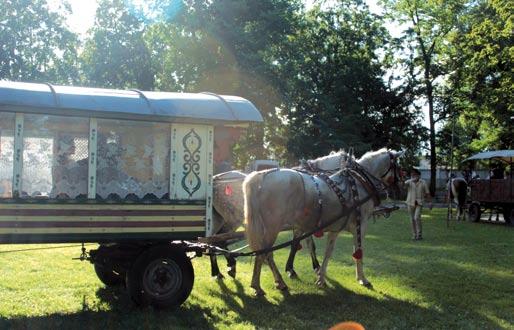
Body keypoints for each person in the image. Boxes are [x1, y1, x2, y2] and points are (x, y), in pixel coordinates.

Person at [404, 168, 432, 240]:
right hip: (410, 202)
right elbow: (404, 185)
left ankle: (419, 235)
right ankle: (414, 235)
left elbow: (427, 193)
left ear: (418, 175)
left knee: (416, 218)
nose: (413, 175)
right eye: (412, 174)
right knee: (412, 219)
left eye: (415, 174)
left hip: (419, 203)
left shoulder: (423, 182)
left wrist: (430, 202)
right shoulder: (409, 182)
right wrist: (411, 180)